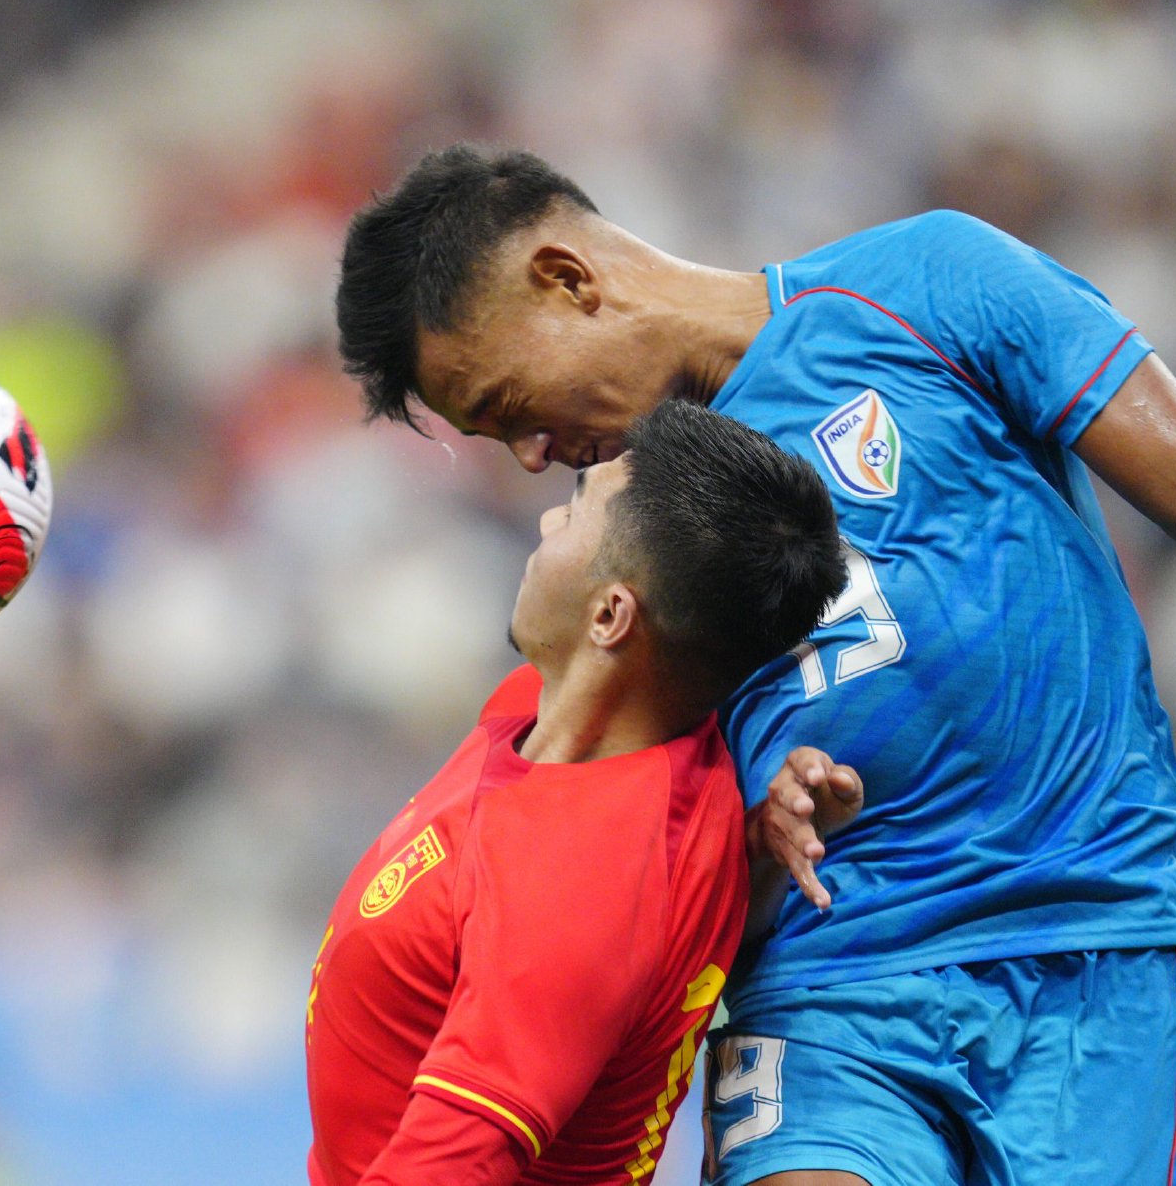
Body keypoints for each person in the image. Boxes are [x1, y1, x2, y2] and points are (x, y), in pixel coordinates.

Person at [333, 145, 1176, 1186]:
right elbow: (633, 774)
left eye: (505, 405)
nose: (527, 456)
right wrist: (740, 812)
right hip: (829, 977)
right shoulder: (625, 523)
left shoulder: (928, 283)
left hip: (1091, 936)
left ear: (566, 277)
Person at [304, 398, 849, 1186]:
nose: (545, 524)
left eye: (575, 510)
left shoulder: (575, 888)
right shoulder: (569, 720)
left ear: (610, 614)